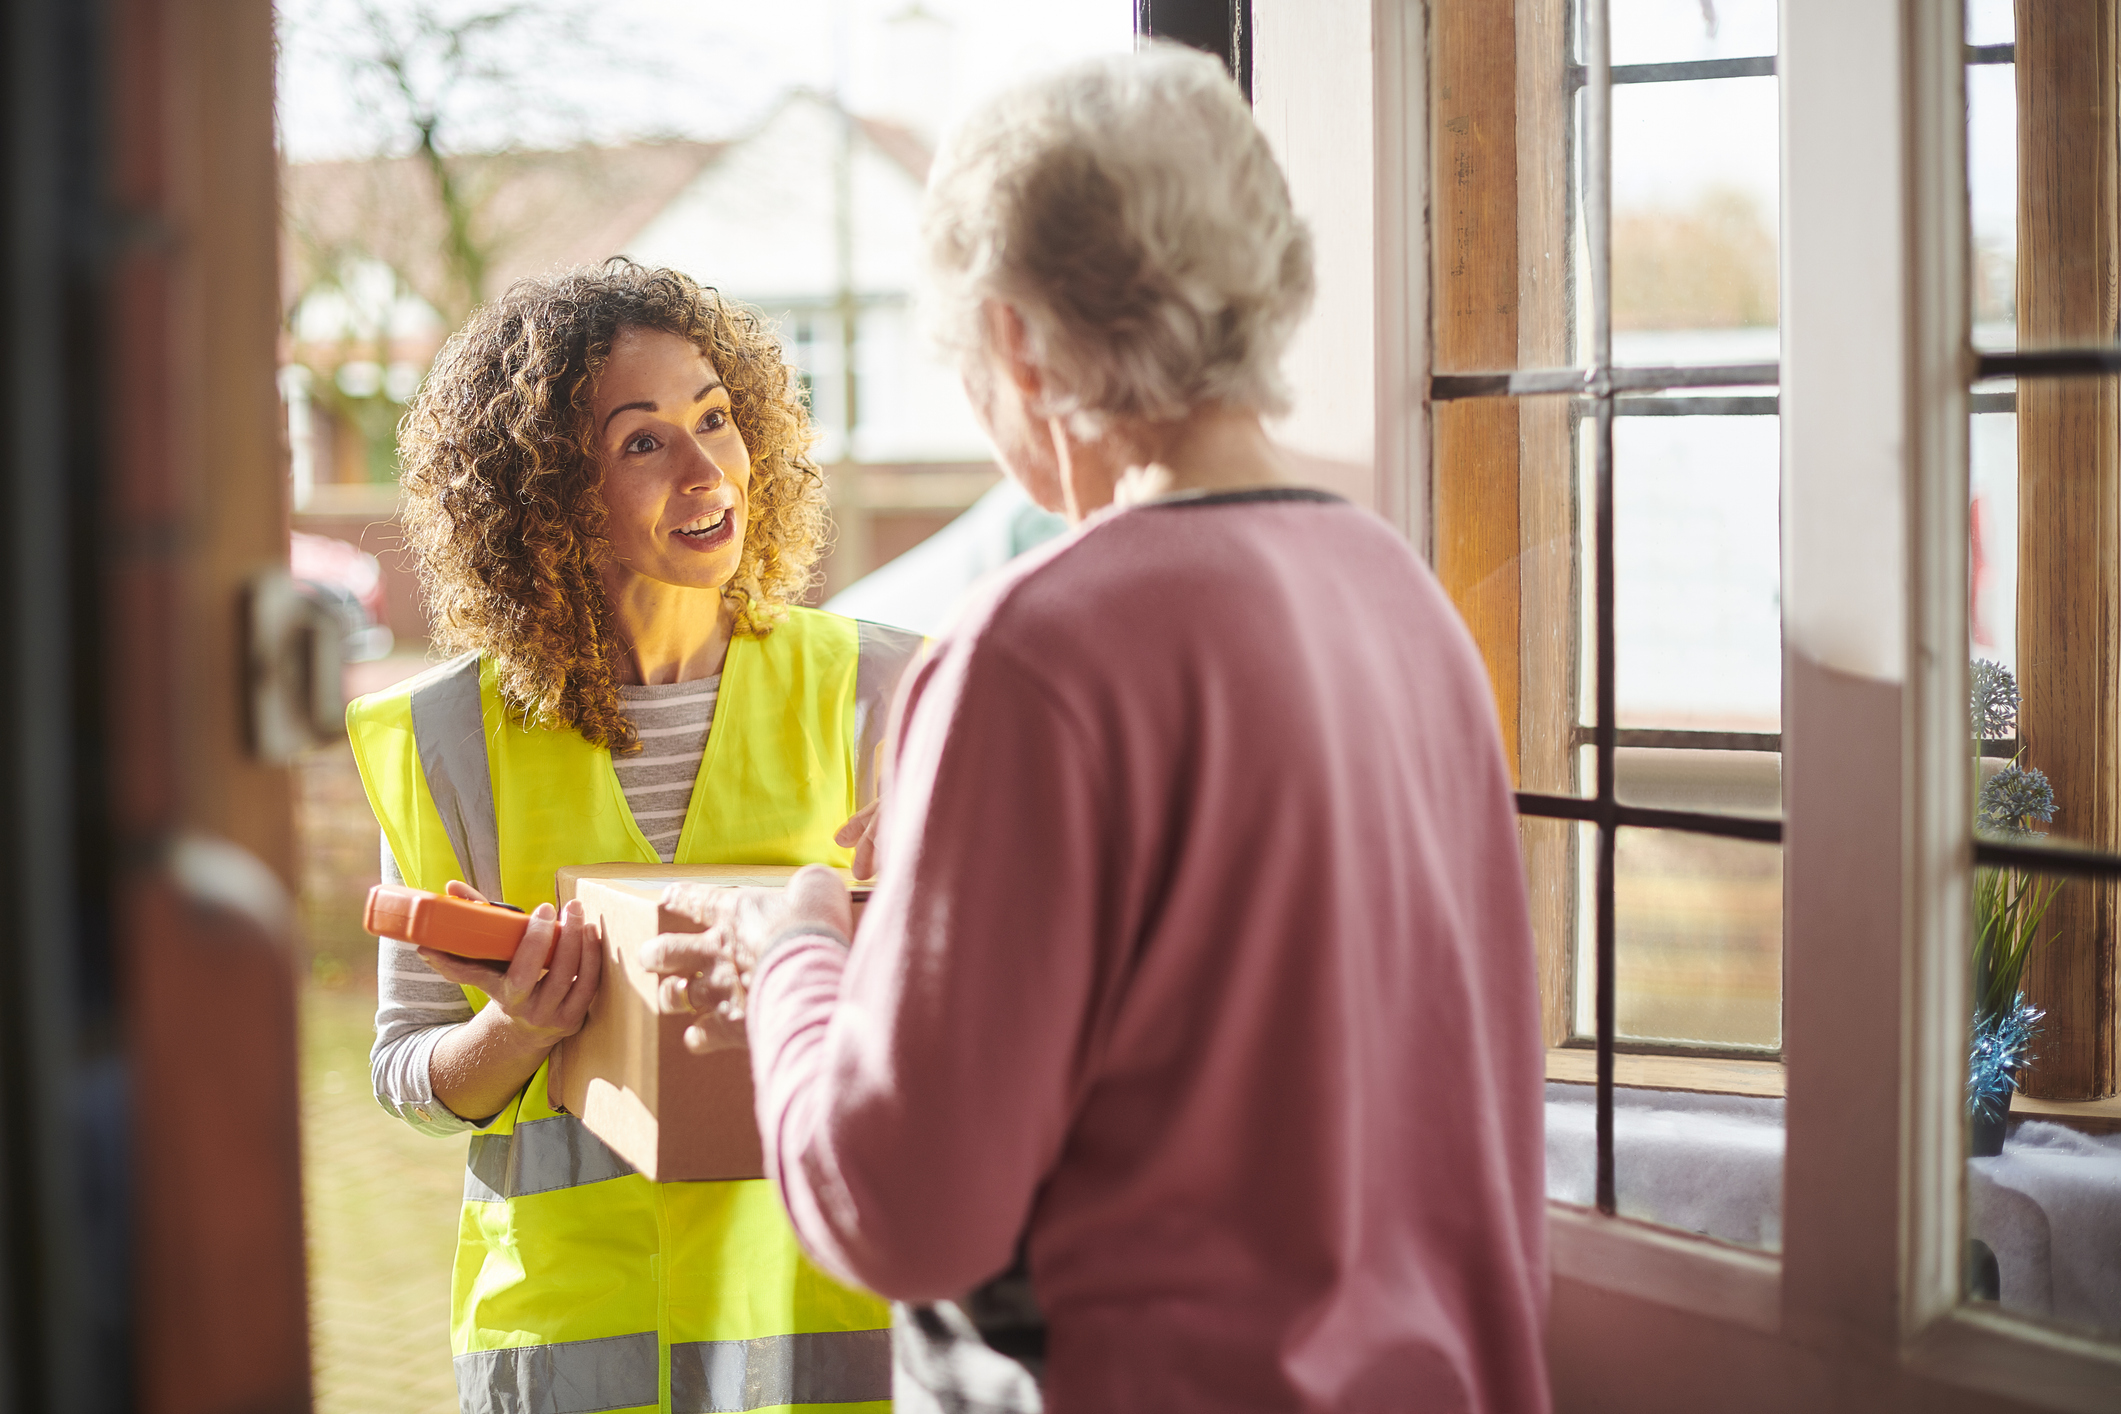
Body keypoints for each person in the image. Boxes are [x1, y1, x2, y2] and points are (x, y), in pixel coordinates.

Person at [645, 46, 1551, 1414]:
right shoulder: (1399, 597)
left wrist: (797, 956)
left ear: (1013, 338)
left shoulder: (1034, 651)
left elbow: (900, 1209)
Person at [346, 261, 914, 1414]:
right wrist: (514, 1031)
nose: (709, 471)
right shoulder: (449, 733)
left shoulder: (881, 690)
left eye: (716, 417)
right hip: (566, 1360)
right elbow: (408, 1070)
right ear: (550, 491)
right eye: (643, 442)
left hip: (823, 1340)